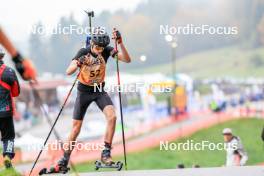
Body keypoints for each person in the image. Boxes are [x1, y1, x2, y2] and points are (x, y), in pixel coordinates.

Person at [56, 28, 131, 171]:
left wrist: (120, 43)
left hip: (99, 90)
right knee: (76, 128)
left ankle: (106, 153)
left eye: (101, 48)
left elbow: (127, 60)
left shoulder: (106, 50)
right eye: (96, 47)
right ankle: (64, 159)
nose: (99, 50)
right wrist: (79, 63)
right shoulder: (83, 52)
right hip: (83, 91)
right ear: (92, 43)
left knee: (112, 117)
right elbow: (68, 71)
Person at [0, 48, 20, 168]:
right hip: (5, 112)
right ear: (2, 57)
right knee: (8, 137)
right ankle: (7, 156)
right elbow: (16, 92)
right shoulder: (9, 71)